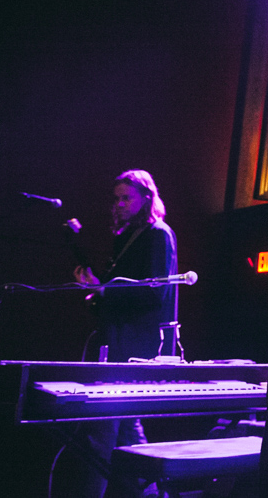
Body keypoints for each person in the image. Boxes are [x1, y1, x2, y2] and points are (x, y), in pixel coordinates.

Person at [69, 169, 179, 497]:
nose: (119, 204)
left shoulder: (158, 234)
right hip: (115, 343)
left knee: (102, 434)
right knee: (127, 434)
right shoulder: (126, 236)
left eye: (126, 197)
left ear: (146, 197)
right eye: (116, 198)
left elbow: (154, 293)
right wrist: (95, 292)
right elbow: (116, 294)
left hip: (134, 347)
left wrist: (104, 291)